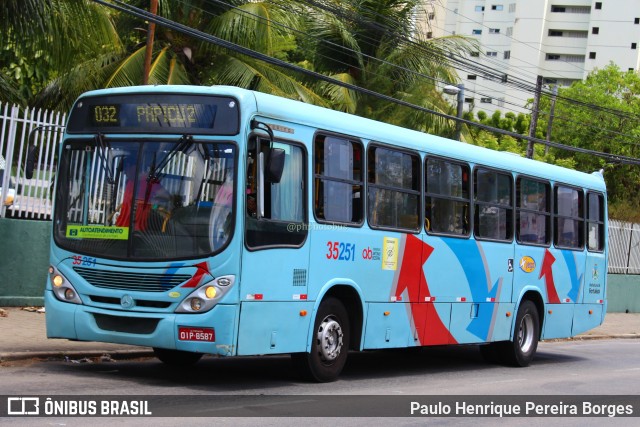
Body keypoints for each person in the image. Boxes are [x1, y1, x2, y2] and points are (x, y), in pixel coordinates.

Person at [115, 165, 171, 232]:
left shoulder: (149, 181)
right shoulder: (129, 182)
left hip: (138, 228)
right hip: (122, 227)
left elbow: (166, 196)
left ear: (134, 167)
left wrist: (152, 201)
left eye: (126, 170)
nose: (125, 173)